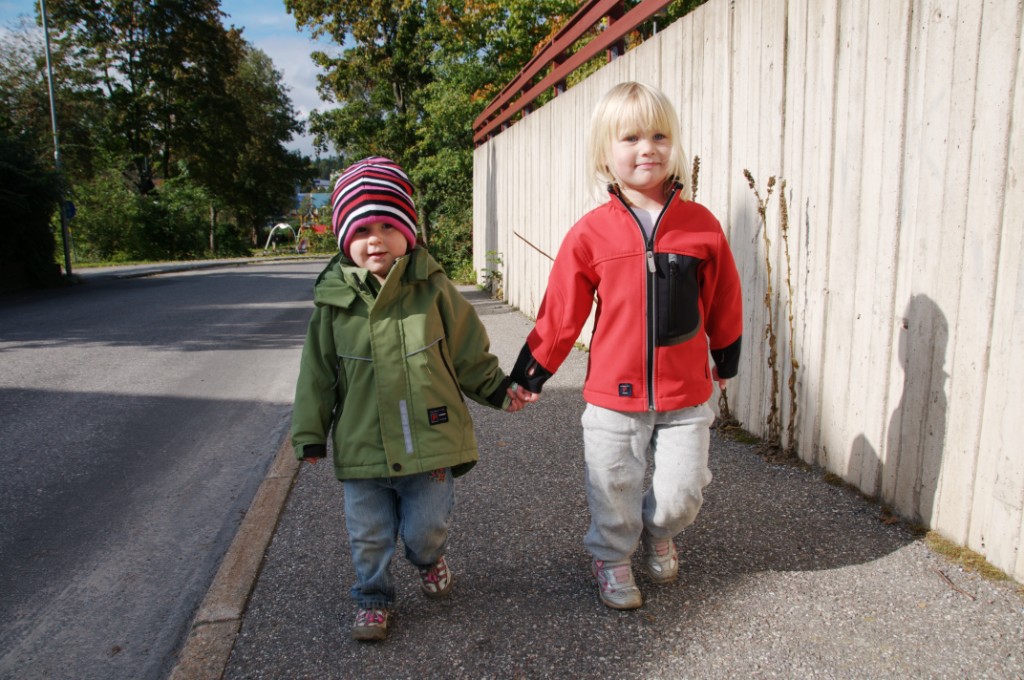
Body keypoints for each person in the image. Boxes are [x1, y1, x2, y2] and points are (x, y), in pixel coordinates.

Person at [510, 82, 743, 610]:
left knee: (683, 493)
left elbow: (726, 297)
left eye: (659, 135)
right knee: (613, 486)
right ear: (605, 153)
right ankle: (613, 558)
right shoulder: (591, 234)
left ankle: (660, 530)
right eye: (631, 137)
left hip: (686, 394)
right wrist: (530, 374)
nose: (647, 148)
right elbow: (561, 313)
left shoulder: (700, 225)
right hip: (613, 396)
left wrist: (726, 356)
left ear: (674, 144)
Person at [291, 156, 527, 641]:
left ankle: (428, 559)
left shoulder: (433, 289)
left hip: (430, 439)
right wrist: (310, 432)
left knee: (426, 529)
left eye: (385, 225)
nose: (374, 239)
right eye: (360, 230)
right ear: (343, 240)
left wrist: (498, 389)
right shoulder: (332, 306)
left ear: (408, 231)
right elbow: (316, 375)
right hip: (363, 448)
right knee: (369, 536)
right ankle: (372, 598)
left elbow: (467, 350)